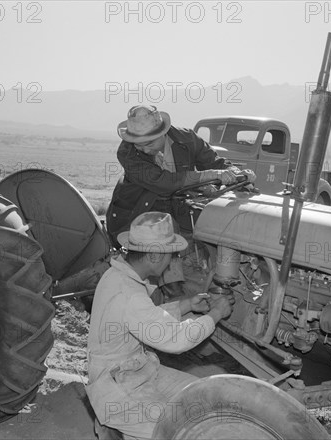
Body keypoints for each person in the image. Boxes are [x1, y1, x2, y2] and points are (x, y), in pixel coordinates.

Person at [86, 211, 234, 440]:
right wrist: (216, 314)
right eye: (171, 256)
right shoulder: (128, 293)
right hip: (115, 383)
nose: (172, 262)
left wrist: (186, 306)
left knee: (204, 395)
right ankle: (116, 427)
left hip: (136, 369)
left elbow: (145, 318)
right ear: (154, 256)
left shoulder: (118, 276)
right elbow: (177, 340)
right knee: (179, 429)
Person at [105, 105, 255, 297]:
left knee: (212, 236)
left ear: (164, 132)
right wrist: (210, 175)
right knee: (164, 265)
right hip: (140, 213)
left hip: (177, 207)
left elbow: (215, 162)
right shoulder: (127, 152)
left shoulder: (188, 139)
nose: (143, 148)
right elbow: (163, 182)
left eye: (149, 142)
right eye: (138, 143)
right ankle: (174, 300)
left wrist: (238, 175)